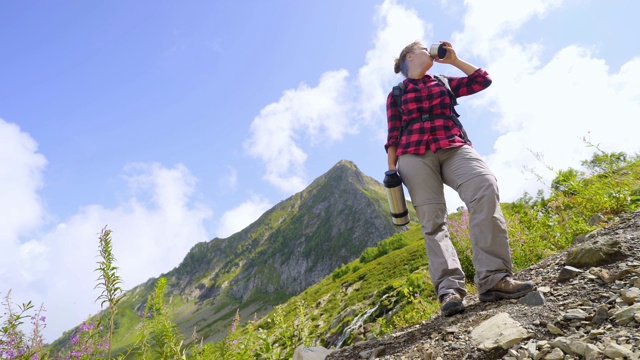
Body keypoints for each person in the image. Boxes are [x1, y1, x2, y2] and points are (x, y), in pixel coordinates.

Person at [385, 40, 535, 317]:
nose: (432, 49)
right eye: (423, 47)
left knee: (484, 186)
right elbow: (393, 135)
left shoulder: (443, 81)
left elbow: (482, 80)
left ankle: (494, 279)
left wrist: (454, 60)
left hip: (454, 147)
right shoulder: (396, 94)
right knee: (432, 220)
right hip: (414, 155)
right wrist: (391, 171)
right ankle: (449, 291)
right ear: (409, 56)